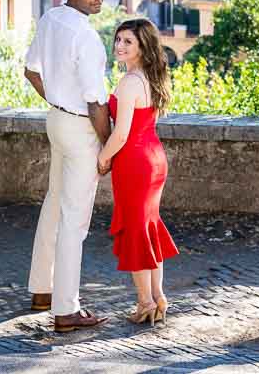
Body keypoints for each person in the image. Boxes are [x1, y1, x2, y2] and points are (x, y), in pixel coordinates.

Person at [24, 0, 110, 333]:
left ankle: (42, 291)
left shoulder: (49, 19)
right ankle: (66, 310)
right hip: (79, 128)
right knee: (75, 221)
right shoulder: (87, 37)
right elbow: (95, 102)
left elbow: (31, 71)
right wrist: (107, 145)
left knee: (54, 204)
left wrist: (57, 101)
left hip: (56, 121)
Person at [97, 18, 178, 326]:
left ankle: (145, 302)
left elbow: (120, 134)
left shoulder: (130, 82)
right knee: (149, 228)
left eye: (128, 41)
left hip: (134, 162)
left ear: (142, 46)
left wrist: (103, 159)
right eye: (118, 39)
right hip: (154, 158)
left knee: (136, 231)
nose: (119, 46)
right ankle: (158, 297)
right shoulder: (151, 77)